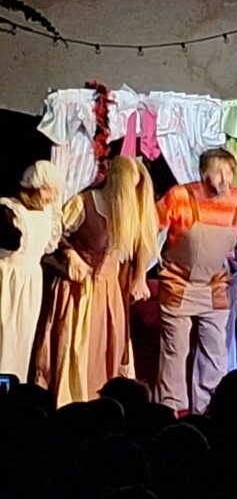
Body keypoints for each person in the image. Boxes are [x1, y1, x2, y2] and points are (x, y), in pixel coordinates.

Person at [35, 156, 158, 406]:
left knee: (106, 350)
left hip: (109, 291)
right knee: (79, 348)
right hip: (79, 290)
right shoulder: (85, 203)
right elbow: (53, 237)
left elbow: (143, 242)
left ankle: (108, 405)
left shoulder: (132, 211)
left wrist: (140, 277)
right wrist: (70, 253)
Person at [154, 148, 237, 416]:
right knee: (175, 350)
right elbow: (149, 228)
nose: (224, 179)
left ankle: (209, 410)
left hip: (216, 286)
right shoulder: (180, 196)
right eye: (217, 173)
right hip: (178, 283)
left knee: (215, 352)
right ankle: (171, 410)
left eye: (229, 173)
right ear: (202, 173)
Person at [0, 161, 63, 382]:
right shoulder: (10, 209)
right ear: (33, 186)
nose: (52, 197)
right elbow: (12, 241)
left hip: (30, 283)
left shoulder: (48, 214)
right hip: (8, 280)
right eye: (47, 190)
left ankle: (13, 387)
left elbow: (48, 248)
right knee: (4, 335)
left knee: (22, 340)